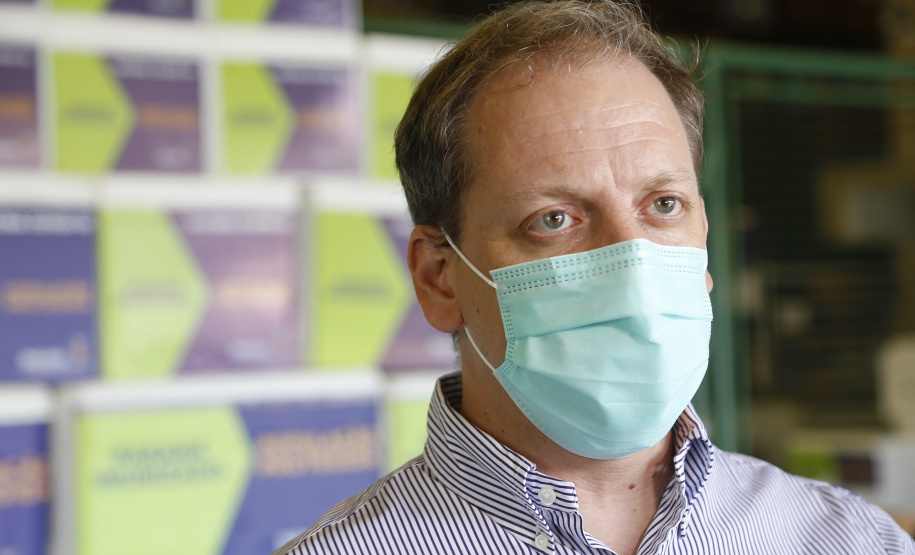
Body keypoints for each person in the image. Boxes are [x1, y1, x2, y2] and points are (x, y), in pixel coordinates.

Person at [276, 1, 915, 553]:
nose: (633, 264)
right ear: (440, 278)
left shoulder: (849, 540)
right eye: (554, 219)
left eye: (663, 205)